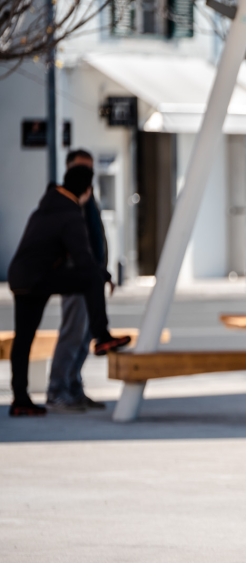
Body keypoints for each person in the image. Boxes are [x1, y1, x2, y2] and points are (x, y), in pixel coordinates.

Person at [7, 165, 131, 417]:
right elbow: (82, 257)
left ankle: (20, 399)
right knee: (91, 279)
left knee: (23, 339)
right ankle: (102, 336)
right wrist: (103, 275)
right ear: (87, 190)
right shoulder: (70, 213)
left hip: (21, 278)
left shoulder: (46, 206)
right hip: (40, 278)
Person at [47, 150, 110, 412]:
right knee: (73, 334)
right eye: (81, 170)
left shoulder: (88, 197)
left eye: (90, 170)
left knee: (84, 337)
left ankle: (73, 388)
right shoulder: (67, 198)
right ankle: (57, 391)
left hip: (91, 277)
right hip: (77, 277)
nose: (87, 176)